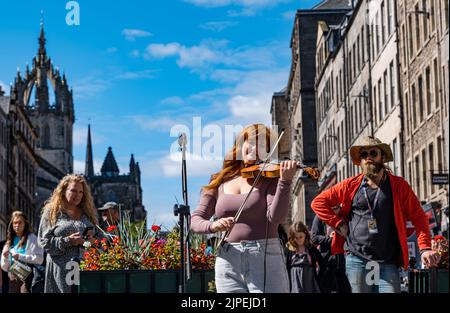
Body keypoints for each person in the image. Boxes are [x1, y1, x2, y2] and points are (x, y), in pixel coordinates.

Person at [311, 136, 439, 293]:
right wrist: (338, 224)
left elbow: (418, 216)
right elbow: (318, 202)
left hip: (387, 262)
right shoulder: (349, 186)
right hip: (357, 259)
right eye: (364, 155)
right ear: (360, 161)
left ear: (382, 157)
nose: (368, 158)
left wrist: (425, 248)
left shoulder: (398, 186)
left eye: (373, 153)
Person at [190, 124, 299, 293]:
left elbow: (276, 218)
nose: (256, 149)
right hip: (228, 258)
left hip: (264, 256)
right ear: (241, 145)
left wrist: (285, 182)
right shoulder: (219, 180)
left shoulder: (270, 179)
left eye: (263, 146)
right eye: (252, 142)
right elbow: (196, 220)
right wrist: (213, 226)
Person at [38, 174, 98, 293]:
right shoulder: (52, 212)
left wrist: (89, 242)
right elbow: (43, 241)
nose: (77, 195)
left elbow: (93, 243)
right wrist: (67, 241)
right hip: (61, 269)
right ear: (64, 190)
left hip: (84, 268)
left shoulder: (87, 214)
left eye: (81, 192)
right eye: (73, 190)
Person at [1, 211, 44, 293]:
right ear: (12, 225)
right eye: (15, 223)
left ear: (25, 224)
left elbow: (40, 259)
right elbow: (4, 264)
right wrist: (5, 257)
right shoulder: (9, 241)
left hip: (28, 274)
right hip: (13, 274)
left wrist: (20, 256)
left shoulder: (32, 238)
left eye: (20, 222)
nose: (17, 225)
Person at [311, 214, 350, 293]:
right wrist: (331, 239)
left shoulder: (343, 213)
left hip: (343, 261)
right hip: (327, 262)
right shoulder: (320, 215)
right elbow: (314, 237)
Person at [285, 221, 324, 293]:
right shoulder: (289, 249)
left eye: (301, 237)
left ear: (305, 234)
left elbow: (322, 264)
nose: (299, 240)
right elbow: (285, 267)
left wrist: (318, 278)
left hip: (309, 280)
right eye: (296, 238)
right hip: (294, 282)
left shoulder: (311, 248)